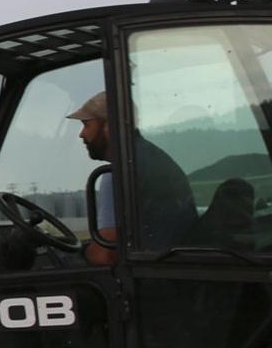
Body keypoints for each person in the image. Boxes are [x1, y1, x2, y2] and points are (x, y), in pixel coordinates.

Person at [67, 91, 196, 264]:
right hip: (170, 265)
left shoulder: (120, 172)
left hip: (149, 275)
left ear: (109, 126)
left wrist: (76, 255)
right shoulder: (151, 158)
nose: (81, 134)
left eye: (87, 125)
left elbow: (106, 255)